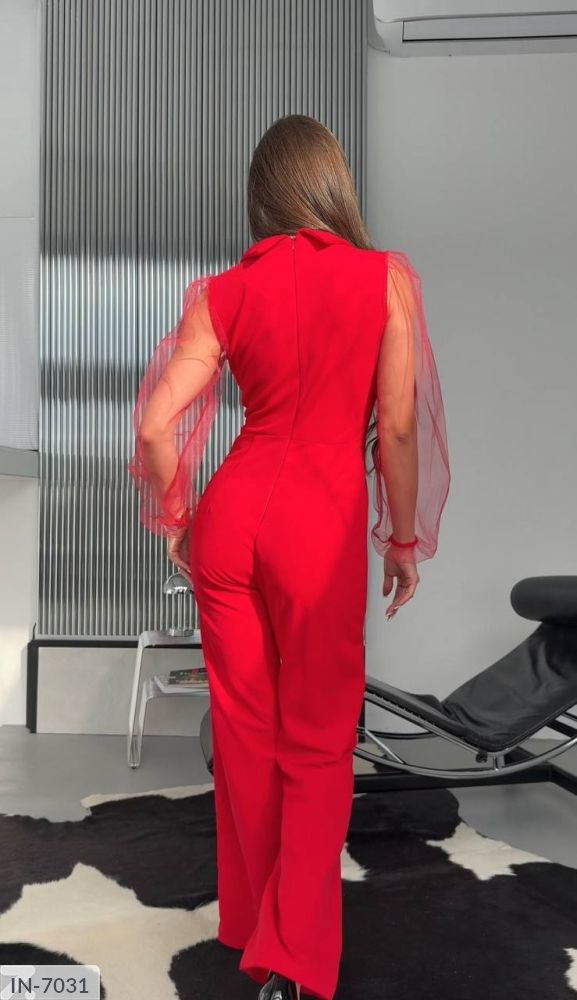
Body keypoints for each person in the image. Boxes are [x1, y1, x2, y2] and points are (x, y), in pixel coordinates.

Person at [127, 113, 450, 1000]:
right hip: (320, 525)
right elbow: (394, 430)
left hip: (234, 516)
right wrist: (402, 540)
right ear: (331, 184)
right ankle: (293, 958)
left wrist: (180, 520)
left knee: (245, 735)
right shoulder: (385, 280)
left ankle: (253, 929)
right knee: (316, 744)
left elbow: (156, 427)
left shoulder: (222, 293)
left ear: (261, 196)